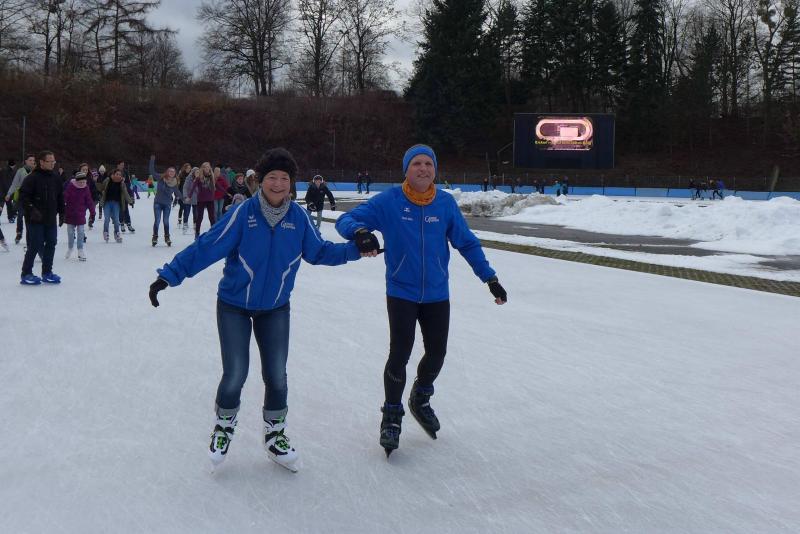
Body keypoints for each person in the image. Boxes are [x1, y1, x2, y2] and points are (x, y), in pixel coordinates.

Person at [148, 147, 366, 472]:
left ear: (291, 183)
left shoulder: (299, 218)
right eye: (271, 178)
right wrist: (169, 275)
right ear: (260, 181)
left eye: (284, 178)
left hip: (275, 307)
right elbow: (208, 246)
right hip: (234, 306)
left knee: (277, 375)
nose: (278, 184)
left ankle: (275, 435)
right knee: (235, 372)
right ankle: (223, 427)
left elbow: (319, 252)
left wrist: (355, 250)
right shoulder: (243, 214)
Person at [335, 144, 508, 456]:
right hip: (401, 291)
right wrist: (360, 232)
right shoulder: (389, 201)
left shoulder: (445, 203)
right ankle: (391, 414)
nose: (423, 168)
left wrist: (490, 278)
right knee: (399, 353)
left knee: (437, 353)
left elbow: (467, 243)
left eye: (428, 163)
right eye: (416, 163)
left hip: (437, 293)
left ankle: (421, 397)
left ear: (435, 170)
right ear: (406, 169)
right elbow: (346, 219)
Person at [19, 151, 64, 285]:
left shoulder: (56, 178)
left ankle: (47, 272)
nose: (52, 164)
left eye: (53, 161)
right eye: (50, 161)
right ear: (42, 162)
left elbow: (60, 197)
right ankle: (26, 273)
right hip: (35, 219)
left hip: (50, 218)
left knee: (51, 243)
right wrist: (32, 209)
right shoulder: (32, 178)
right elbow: (23, 197)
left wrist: (62, 212)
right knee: (35, 244)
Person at [149, 155, 183, 246]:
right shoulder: (161, 178)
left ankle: (167, 237)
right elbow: (152, 171)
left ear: (175, 173)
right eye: (170, 171)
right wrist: (152, 160)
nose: (172, 173)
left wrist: (184, 199)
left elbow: (177, 192)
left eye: (173, 171)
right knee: (157, 220)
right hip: (158, 203)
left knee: (166, 221)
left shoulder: (175, 182)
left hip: (167, 204)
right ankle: (155, 237)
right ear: (167, 172)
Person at [63, 171, 95, 261]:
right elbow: (65, 196)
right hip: (70, 213)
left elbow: (89, 201)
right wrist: (61, 205)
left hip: (80, 213)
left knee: (81, 231)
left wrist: (92, 212)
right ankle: (70, 248)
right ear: (76, 181)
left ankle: (80, 250)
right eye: (80, 182)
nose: (82, 184)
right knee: (70, 232)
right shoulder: (71, 186)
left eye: (84, 182)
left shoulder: (86, 188)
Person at [6, 154, 35, 243]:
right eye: (30, 160)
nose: (32, 162)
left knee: (30, 219)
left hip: (33, 199)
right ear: (26, 161)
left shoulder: (36, 171)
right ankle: (19, 233)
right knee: (20, 217)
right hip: (22, 198)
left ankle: (30, 237)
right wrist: (9, 194)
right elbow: (14, 184)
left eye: (33, 160)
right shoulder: (20, 171)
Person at [100, 169, 134, 243]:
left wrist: (130, 201)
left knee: (116, 219)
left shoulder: (122, 183)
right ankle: (106, 232)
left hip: (116, 203)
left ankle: (117, 233)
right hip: (107, 203)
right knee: (107, 219)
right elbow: (101, 187)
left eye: (120, 175)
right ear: (113, 174)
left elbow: (125, 193)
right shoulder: (108, 180)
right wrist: (101, 193)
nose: (118, 176)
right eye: (117, 174)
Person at [0, 158, 16, 222]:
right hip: (4, 191)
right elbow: (5, 182)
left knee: (8, 205)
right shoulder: (6, 171)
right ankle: (11, 217)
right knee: (3, 205)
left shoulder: (11, 171)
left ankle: (11, 217)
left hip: (5, 191)